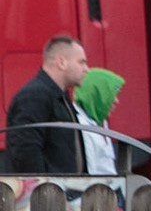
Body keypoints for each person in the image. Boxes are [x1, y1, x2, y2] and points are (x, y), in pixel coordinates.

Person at [5, 34, 88, 174]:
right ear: (61, 62)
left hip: (65, 186)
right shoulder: (34, 95)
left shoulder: (61, 96)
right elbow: (26, 151)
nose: (86, 69)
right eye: (81, 62)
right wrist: (43, 186)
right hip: (49, 187)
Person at [73, 67, 127, 176]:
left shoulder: (95, 124)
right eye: (110, 95)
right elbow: (91, 174)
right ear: (97, 94)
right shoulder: (84, 128)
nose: (116, 101)